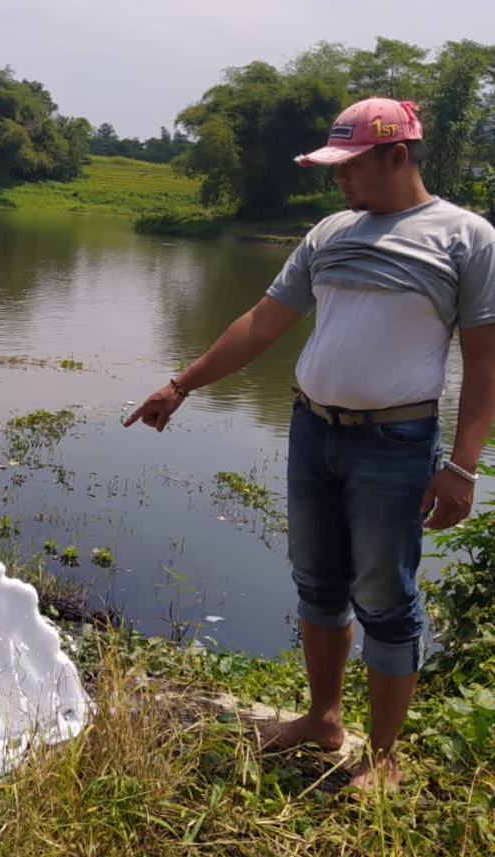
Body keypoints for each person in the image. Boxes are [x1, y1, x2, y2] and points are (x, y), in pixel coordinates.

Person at [124, 96, 495, 792]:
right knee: (317, 583)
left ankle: (381, 755)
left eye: (348, 165)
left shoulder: (466, 238)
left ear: (396, 155)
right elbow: (263, 320)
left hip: (394, 444)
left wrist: (463, 467)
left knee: (385, 595)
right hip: (311, 428)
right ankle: (324, 718)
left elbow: (485, 363)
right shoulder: (329, 233)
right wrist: (181, 384)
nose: (337, 178)